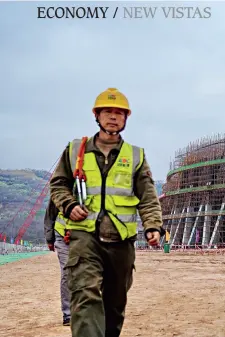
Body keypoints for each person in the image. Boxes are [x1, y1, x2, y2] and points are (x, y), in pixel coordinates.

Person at [49, 87, 165, 337]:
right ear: (97, 115)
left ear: (125, 119)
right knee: (84, 293)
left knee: (114, 304)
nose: (113, 117)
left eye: (119, 113)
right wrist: (69, 205)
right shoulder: (75, 150)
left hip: (121, 240)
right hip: (84, 237)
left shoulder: (135, 156)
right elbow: (58, 184)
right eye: (107, 112)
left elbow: (147, 195)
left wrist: (153, 226)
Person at [44, 198, 71, 326]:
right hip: (62, 235)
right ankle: (68, 314)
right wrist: (50, 238)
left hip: (86, 236)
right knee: (67, 272)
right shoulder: (60, 187)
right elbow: (50, 215)